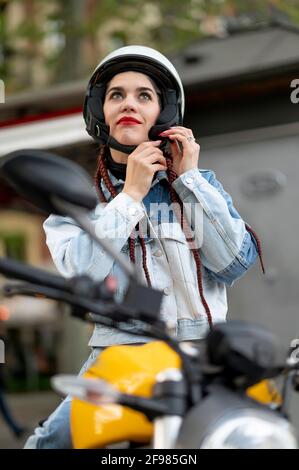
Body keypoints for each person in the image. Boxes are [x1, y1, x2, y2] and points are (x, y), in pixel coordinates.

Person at [24, 45, 263, 449]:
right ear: (100, 110)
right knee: (53, 441)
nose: (128, 104)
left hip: (201, 354)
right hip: (119, 356)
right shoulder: (78, 198)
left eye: (144, 95)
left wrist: (189, 181)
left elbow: (233, 264)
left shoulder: (199, 185)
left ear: (164, 114)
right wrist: (130, 195)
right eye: (116, 95)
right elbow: (83, 273)